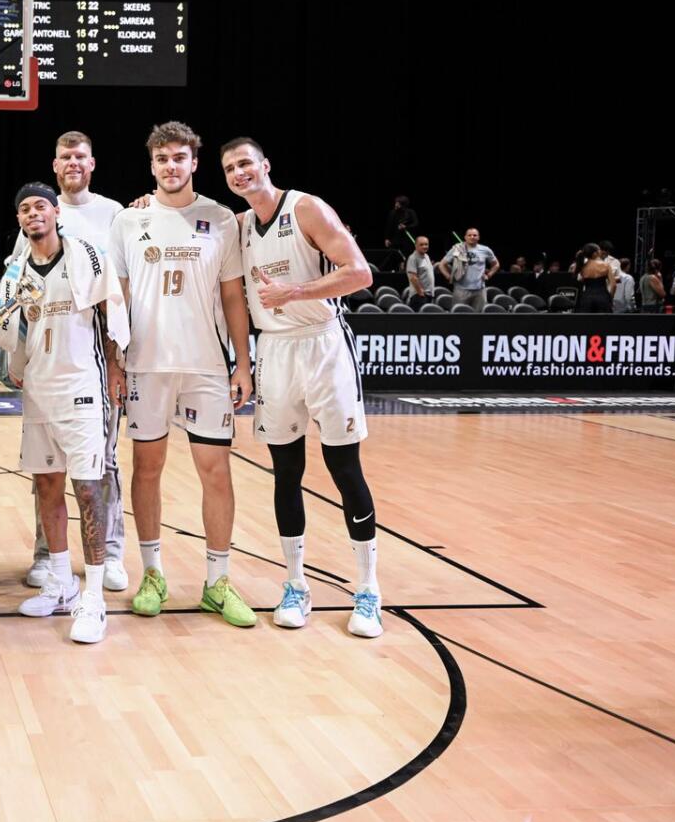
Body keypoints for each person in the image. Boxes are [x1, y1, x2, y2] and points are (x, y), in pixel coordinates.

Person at [221, 137, 385, 638]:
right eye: (230, 168)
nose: (239, 173)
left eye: (245, 163)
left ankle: (368, 591)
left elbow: (360, 273)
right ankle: (296, 584)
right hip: (274, 350)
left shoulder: (307, 208)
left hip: (323, 344)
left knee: (344, 468)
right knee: (285, 472)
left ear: (265, 165)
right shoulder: (239, 225)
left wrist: (295, 291)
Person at [108, 121, 255, 626]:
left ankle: (218, 582)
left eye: (179, 158)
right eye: (162, 159)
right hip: (146, 365)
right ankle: (152, 574)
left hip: (205, 366)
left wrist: (243, 362)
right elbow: (118, 299)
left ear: (194, 162)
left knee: (216, 471)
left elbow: (233, 295)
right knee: (147, 469)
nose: (171, 166)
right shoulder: (128, 220)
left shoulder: (220, 219)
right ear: (152, 166)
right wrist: (115, 361)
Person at [0, 183, 129, 643]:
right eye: (24, 208)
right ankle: (60, 582)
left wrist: (116, 367)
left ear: (56, 213)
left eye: (40, 206)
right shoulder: (13, 275)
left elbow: (111, 314)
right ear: (19, 221)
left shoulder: (85, 256)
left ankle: (94, 597)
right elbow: (11, 335)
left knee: (88, 490)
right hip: (38, 391)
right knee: (47, 487)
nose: (33, 213)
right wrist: (6, 360)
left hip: (82, 389)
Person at [438, 228, 499, 309]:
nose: (472, 237)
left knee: (479, 315)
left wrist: (489, 275)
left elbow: (496, 264)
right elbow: (442, 264)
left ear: (478, 237)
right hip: (460, 290)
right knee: (459, 314)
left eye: (474, 235)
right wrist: (448, 277)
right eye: (469, 235)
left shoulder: (485, 250)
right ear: (465, 237)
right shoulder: (457, 249)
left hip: (480, 290)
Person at [574, 243, 614, 313]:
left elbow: (582, 280)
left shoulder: (582, 267)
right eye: (599, 249)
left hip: (586, 298)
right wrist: (610, 298)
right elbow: (614, 285)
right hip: (603, 297)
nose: (600, 251)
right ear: (595, 253)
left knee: (587, 320)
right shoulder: (606, 265)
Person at [405, 235, 435, 308]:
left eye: (426, 244)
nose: (424, 246)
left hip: (428, 295)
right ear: (416, 245)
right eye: (421, 245)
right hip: (419, 296)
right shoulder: (413, 258)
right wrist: (420, 292)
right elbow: (413, 277)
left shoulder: (426, 256)